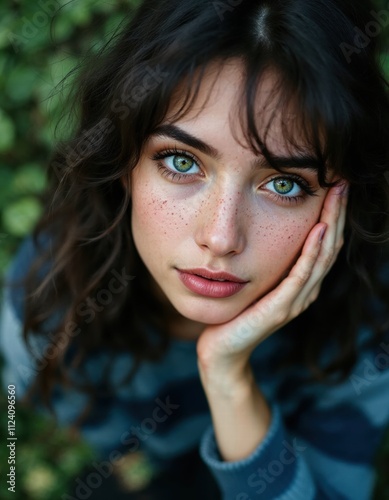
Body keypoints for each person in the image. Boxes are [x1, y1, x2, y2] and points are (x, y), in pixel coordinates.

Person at [1, 0, 389, 498]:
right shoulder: (50, 299)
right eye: (181, 162)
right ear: (123, 162)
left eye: (286, 185)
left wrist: (229, 379)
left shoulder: (367, 319)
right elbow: (86, 425)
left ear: (340, 202)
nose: (222, 237)